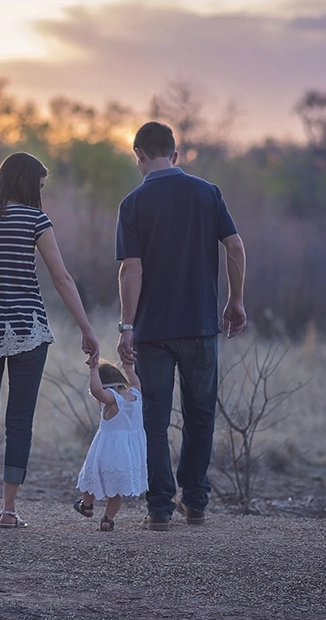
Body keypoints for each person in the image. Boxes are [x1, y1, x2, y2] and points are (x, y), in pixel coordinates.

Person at [0, 152, 99, 528]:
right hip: (28, 330)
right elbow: (61, 279)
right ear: (28, 184)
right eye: (40, 185)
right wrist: (86, 328)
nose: (41, 193)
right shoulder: (35, 220)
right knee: (20, 421)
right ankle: (8, 510)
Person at [116, 121, 246, 531]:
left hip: (153, 332)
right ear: (175, 154)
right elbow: (235, 246)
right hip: (201, 326)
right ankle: (195, 501)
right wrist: (236, 300)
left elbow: (130, 270)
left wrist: (126, 325)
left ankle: (158, 508)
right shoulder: (208, 193)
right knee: (200, 414)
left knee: (154, 418)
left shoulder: (133, 203)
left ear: (138, 156)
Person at [74, 359, 147, 531]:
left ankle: (87, 505)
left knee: (90, 477)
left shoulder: (112, 399)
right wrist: (128, 368)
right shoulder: (136, 395)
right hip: (129, 453)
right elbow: (136, 382)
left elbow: (97, 391)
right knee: (117, 489)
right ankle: (107, 519)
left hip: (107, 450)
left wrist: (93, 370)